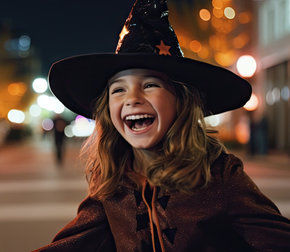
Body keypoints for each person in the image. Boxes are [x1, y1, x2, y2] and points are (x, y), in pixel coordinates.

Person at [34, 0, 290, 251]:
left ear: (181, 101)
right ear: (107, 110)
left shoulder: (219, 175)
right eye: (119, 90)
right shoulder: (112, 186)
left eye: (150, 85)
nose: (132, 98)